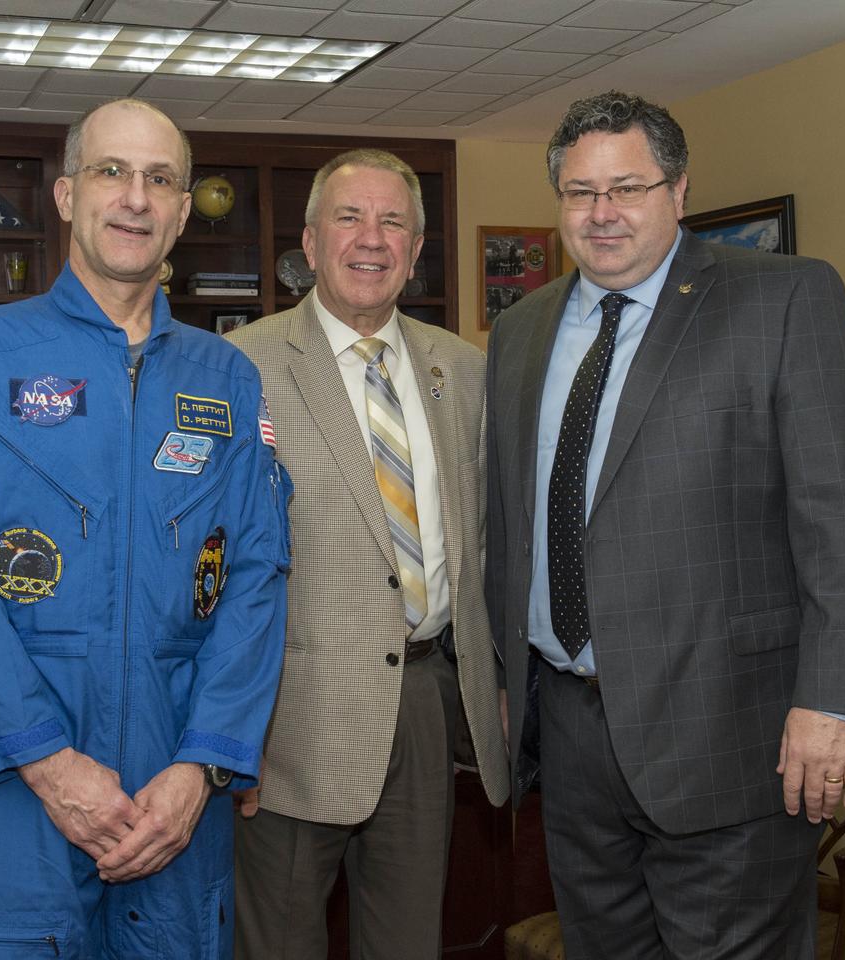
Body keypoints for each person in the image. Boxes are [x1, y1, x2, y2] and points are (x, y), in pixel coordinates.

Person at [485, 91, 845, 959]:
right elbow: (516, 519)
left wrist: (832, 701)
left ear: (679, 190)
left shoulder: (783, 300)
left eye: (627, 188)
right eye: (578, 192)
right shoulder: (520, 331)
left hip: (729, 734)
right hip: (568, 734)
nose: (601, 215)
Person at [0, 98, 291, 958]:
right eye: (112, 172)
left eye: (160, 179)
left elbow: (256, 577)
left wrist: (205, 765)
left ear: (183, 210)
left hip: (174, 799)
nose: (135, 198)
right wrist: (48, 762)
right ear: (68, 195)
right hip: (15, 793)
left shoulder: (229, 378)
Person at [227, 149, 509, 960]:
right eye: (349, 217)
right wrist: (228, 734)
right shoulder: (240, 367)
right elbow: (205, 571)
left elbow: (483, 542)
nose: (371, 238)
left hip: (426, 705)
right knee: (277, 943)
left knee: (408, 941)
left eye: (394, 222)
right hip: (287, 718)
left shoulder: (462, 368)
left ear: (417, 250)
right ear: (310, 244)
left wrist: (490, 682)